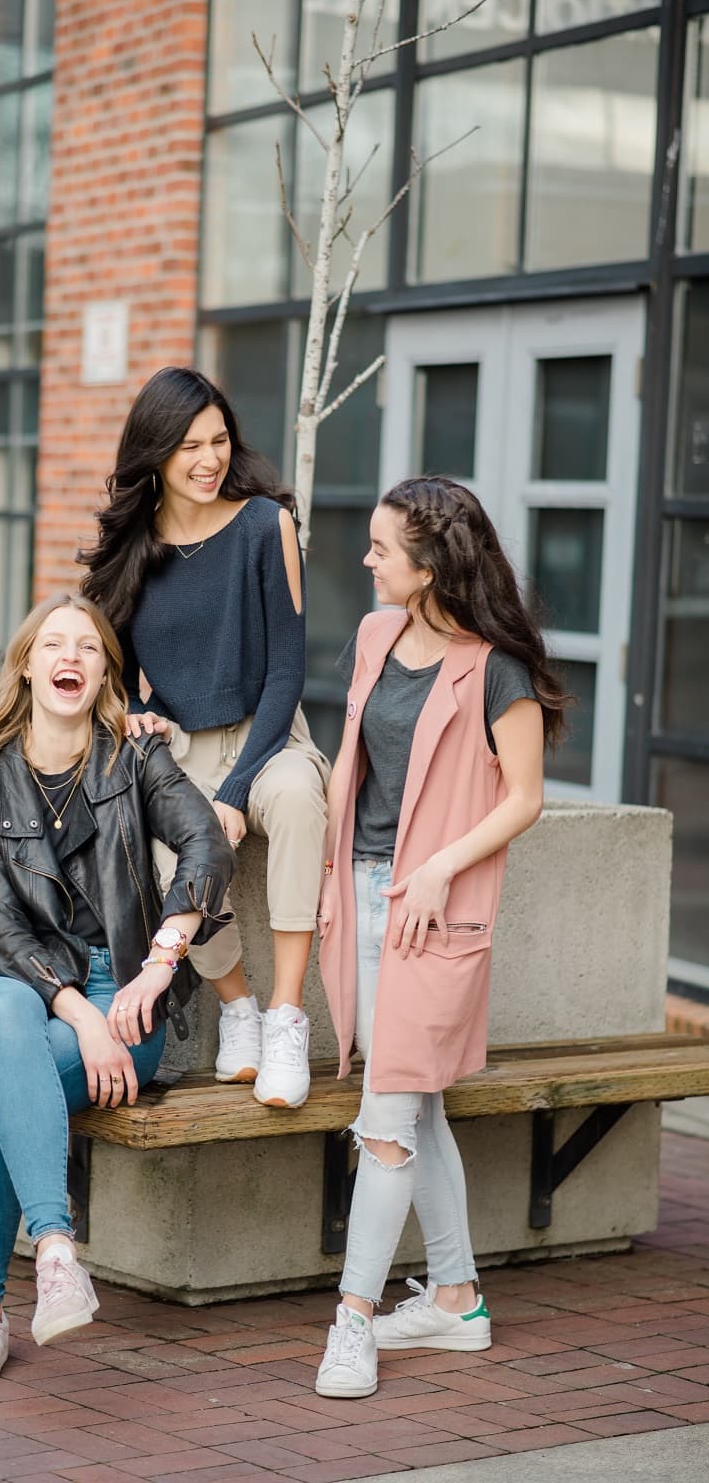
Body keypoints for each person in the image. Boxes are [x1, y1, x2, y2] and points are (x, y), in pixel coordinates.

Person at [0, 591, 233, 1386]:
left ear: (106, 673)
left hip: (125, 995)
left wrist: (162, 959)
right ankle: (58, 1249)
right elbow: (0, 929)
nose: (69, 656)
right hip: (18, 986)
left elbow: (204, 841)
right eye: (53, 644)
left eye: (88, 647)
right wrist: (81, 1017)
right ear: (27, 666)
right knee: (1, 1005)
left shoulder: (137, 757)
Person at [313, 476, 568, 1399]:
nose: (368, 559)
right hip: (366, 898)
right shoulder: (376, 637)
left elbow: (526, 799)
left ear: (429, 567)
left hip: (433, 914)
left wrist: (437, 866)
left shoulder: (496, 665)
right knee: (416, 1108)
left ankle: (352, 1321)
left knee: (384, 1123)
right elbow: (355, 763)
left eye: (383, 549)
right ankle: (456, 1298)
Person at [79, 367, 329, 1109]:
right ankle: (238, 1008)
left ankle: (286, 1016)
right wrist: (130, 711)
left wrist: (236, 788)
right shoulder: (134, 547)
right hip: (179, 747)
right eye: (190, 445)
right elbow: (108, 661)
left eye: (219, 441)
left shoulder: (265, 526)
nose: (209, 459)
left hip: (270, 735)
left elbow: (287, 672)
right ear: (155, 453)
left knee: (296, 803)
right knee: (166, 854)